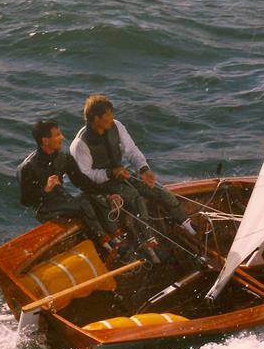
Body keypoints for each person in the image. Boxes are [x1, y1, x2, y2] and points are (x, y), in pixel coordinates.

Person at [69, 94, 196, 242]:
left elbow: (131, 150)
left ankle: (187, 225)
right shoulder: (80, 144)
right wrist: (110, 173)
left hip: (122, 174)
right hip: (101, 185)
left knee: (160, 191)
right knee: (135, 198)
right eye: (108, 115)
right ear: (96, 118)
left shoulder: (117, 126)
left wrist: (143, 169)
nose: (112, 118)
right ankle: (148, 238)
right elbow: (87, 174)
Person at [18, 119, 122, 256]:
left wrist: (108, 195)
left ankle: (117, 237)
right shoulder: (27, 168)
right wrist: (46, 189)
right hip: (45, 209)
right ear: (45, 141)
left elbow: (82, 182)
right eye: (57, 135)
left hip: (64, 201)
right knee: (84, 204)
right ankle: (106, 244)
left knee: (94, 198)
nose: (62, 137)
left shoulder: (64, 158)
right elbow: (26, 201)